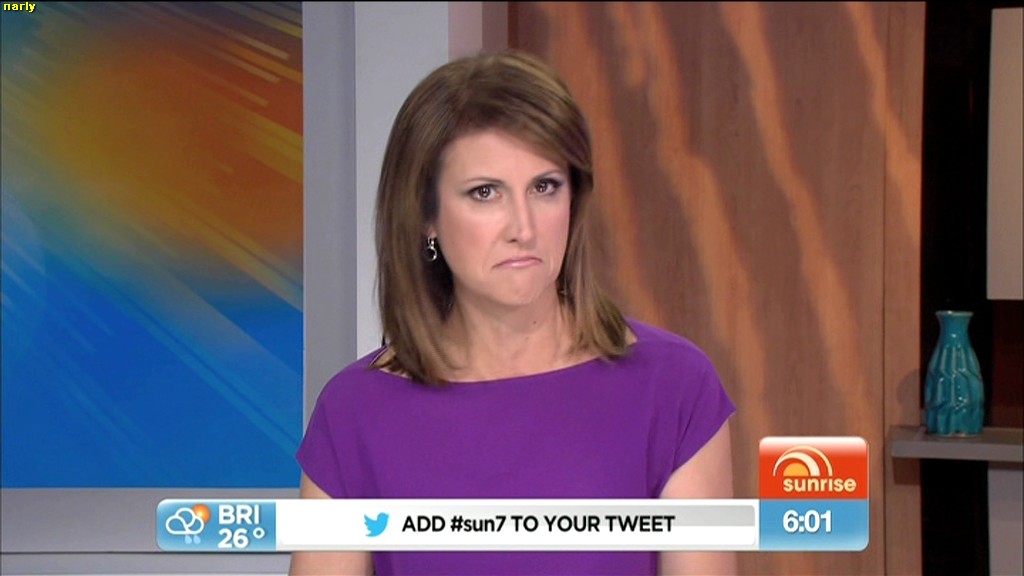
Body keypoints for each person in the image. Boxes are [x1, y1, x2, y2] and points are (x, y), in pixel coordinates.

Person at [289, 49, 736, 576]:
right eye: (485, 193)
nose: (523, 227)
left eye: (545, 187)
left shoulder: (675, 388)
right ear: (426, 217)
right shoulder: (354, 412)